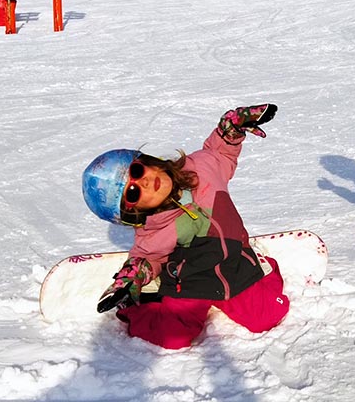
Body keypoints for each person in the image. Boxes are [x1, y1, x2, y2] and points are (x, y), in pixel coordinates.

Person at [81, 104, 289, 349]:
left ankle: (262, 266)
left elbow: (221, 153)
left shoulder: (202, 168)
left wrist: (232, 127)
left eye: (137, 170)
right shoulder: (152, 230)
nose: (145, 182)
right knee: (173, 337)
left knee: (269, 316)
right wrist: (131, 279)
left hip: (235, 266)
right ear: (132, 213)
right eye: (134, 192)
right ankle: (138, 308)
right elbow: (147, 258)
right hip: (190, 282)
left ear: (148, 161)